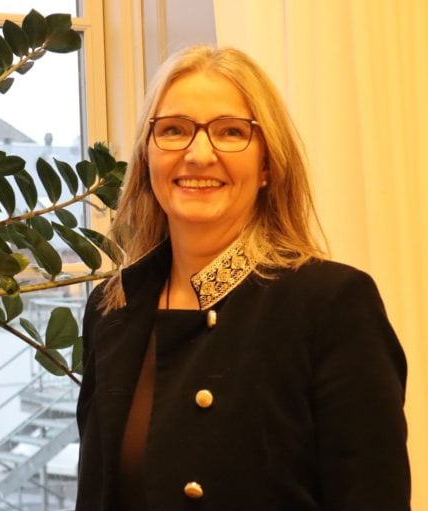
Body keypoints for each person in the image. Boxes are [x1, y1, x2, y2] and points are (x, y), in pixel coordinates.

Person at [75, 45, 410, 511]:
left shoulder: (332, 305)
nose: (198, 154)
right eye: (173, 130)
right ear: (147, 157)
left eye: (230, 131)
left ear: (267, 165)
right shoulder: (112, 307)